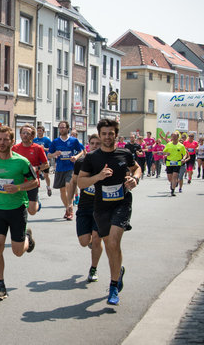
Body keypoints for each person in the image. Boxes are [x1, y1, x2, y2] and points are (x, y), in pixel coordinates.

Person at [78, 119, 141, 306]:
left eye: (110, 133)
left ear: (116, 135)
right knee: (110, 247)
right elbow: (81, 183)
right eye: (104, 133)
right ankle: (118, 271)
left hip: (122, 203)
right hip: (101, 206)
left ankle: (113, 286)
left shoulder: (125, 153)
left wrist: (135, 179)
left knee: (113, 241)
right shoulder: (92, 158)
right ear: (99, 134)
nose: (107, 137)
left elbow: (136, 168)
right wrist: (98, 177)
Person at [0, 125, 38, 301]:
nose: (2, 142)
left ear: (12, 141)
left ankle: (27, 239)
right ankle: (0, 285)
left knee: (18, 252)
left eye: (6, 139)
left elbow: (35, 182)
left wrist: (18, 187)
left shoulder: (21, 162)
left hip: (17, 209)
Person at [69, 134, 103, 283]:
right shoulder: (81, 162)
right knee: (84, 241)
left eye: (98, 143)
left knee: (96, 239)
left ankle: (93, 268)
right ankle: (92, 243)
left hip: (101, 208)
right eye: (92, 143)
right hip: (84, 206)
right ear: (88, 145)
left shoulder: (105, 162)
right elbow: (73, 182)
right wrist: (69, 203)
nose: (95, 146)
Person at [47, 121, 84, 220]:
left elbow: (82, 151)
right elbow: (49, 155)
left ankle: (70, 206)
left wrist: (76, 157)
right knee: (62, 190)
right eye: (60, 127)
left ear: (68, 129)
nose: (61, 129)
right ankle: (67, 208)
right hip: (60, 168)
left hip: (71, 167)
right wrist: (55, 154)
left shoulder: (73, 141)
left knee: (69, 186)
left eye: (63, 127)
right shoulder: (55, 142)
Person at [11, 124, 49, 215]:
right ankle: (22, 227)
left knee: (32, 211)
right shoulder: (14, 148)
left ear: (32, 136)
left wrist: (36, 168)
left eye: (28, 133)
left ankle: (37, 201)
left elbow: (46, 164)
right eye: (23, 133)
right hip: (18, 182)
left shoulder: (38, 148)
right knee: (18, 209)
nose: (25, 135)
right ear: (20, 135)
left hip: (32, 182)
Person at [33, 125, 52, 197]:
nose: (39, 132)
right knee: (36, 175)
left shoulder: (47, 140)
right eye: (38, 131)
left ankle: (48, 187)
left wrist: (45, 149)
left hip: (44, 160)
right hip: (37, 160)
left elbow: (51, 149)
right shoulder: (35, 140)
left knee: (46, 175)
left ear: (43, 132)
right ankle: (36, 191)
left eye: (40, 131)